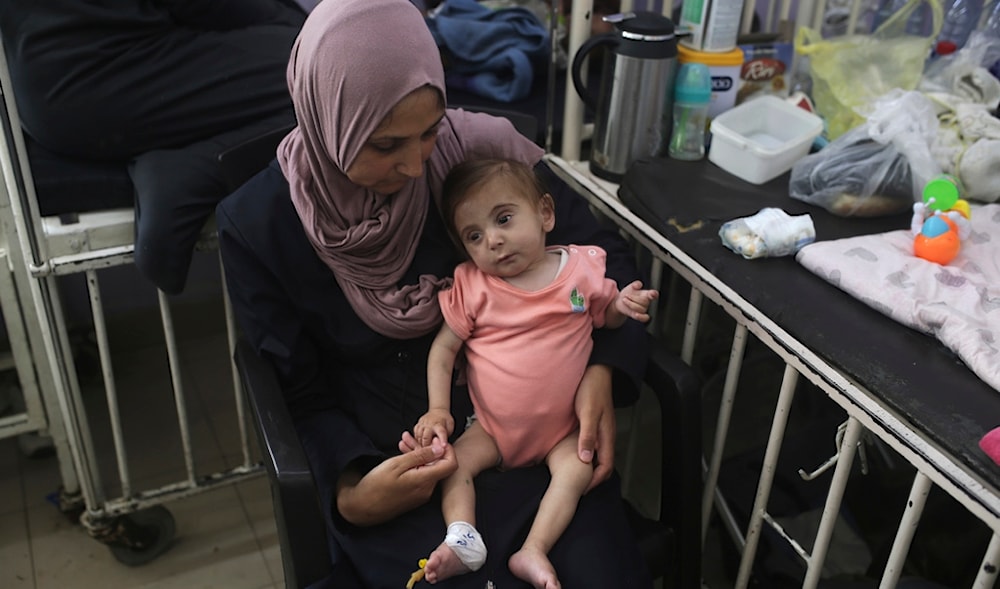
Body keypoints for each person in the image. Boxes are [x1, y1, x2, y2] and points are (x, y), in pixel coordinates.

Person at [216, 0, 654, 586]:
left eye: (429, 131)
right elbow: (298, 392)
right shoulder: (260, 226)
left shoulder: (477, 158)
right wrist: (351, 493)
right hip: (397, 459)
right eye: (385, 145)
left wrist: (602, 367)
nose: (418, 167)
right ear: (330, 122)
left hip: (543, 438)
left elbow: (604, 258)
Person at [415, 158, 659, 587]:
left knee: (577, 470)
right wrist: (438, 410)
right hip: (491, 429)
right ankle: (463, 539)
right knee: (451, 464)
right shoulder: (473, 286)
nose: (493, 240)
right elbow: (442, 350)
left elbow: (606, 316)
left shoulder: (581, 271)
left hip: (561, 430)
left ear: (545, 213)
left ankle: (534, 549)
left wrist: (622, 306)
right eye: (475, 236)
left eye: (504, 218)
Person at [0, 0, 307, 294]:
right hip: (105, 70)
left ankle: (187, 165)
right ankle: (194, 169)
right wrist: (307, 29)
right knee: (316, 69)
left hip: (39, 89)